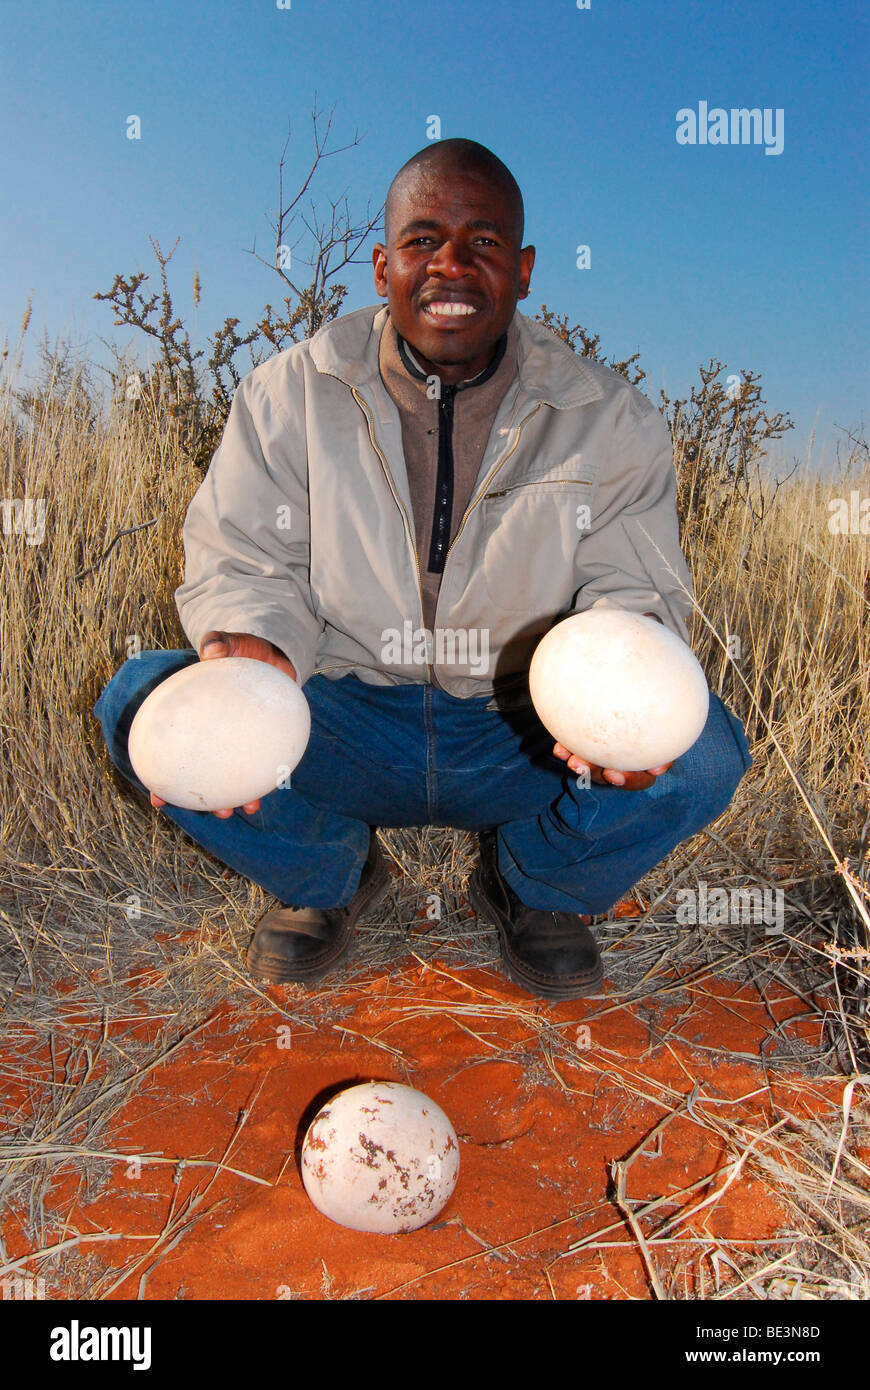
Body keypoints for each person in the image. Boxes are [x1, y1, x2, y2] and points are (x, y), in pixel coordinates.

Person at [94, 138, 752, 1001]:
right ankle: (332, 873)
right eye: (422, 240)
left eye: (483, 243)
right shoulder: (289, 392)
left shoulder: (610, 415)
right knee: (146, 703)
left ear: (522, 271)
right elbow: (247, 556)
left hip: (515, 733)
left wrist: (621, 716)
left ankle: (535, 884)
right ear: (381, 266)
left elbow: (634, 587)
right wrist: (249, 664)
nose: (451, 264)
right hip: (344, 713)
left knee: (699, 752)